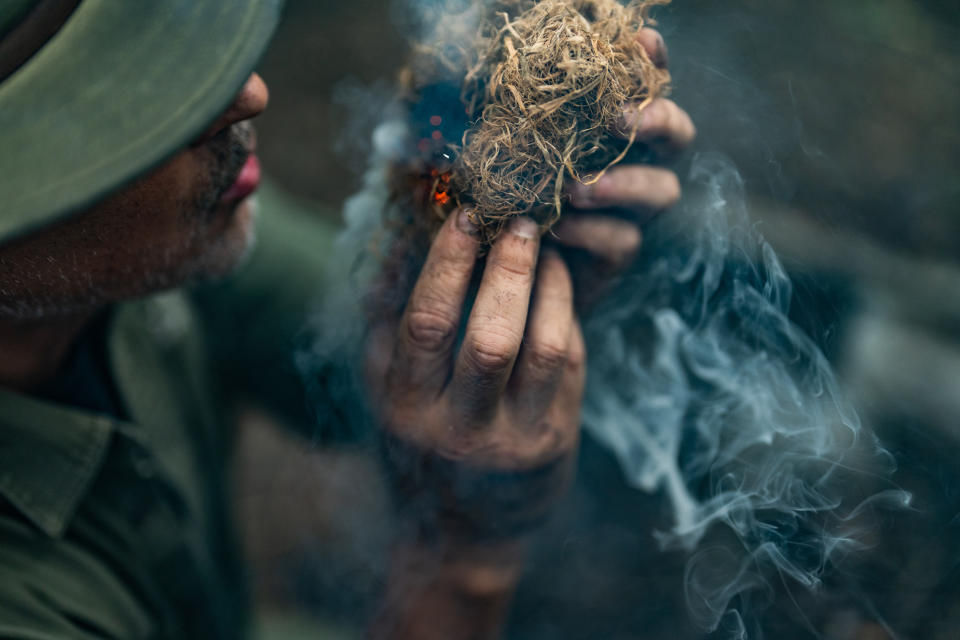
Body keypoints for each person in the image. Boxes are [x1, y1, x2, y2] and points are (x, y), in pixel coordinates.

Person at [0, 1, 695, 638]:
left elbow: (361, 348)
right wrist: (464, 555)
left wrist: (480, 191)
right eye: (107, 99)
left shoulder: (135, 252)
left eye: (163, 54)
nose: (245, 94)